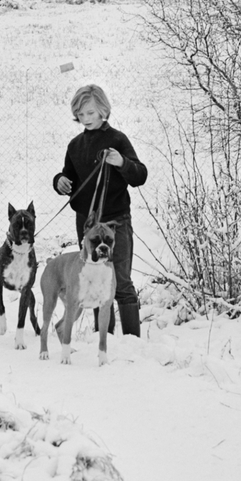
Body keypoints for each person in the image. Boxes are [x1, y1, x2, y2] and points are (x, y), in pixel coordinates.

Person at [53, 83, 147, 336]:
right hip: (87, 223)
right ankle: (103, 335)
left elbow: (139, 176)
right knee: (95, 278)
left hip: (116, 221)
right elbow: (69, 178)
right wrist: (59, 181)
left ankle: (132, 339)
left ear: (102, 110)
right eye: (81, 115)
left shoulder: (117, 139)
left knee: (121, 281)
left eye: (91, 113)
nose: (86, 119)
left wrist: (122, 162)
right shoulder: (75, 145)